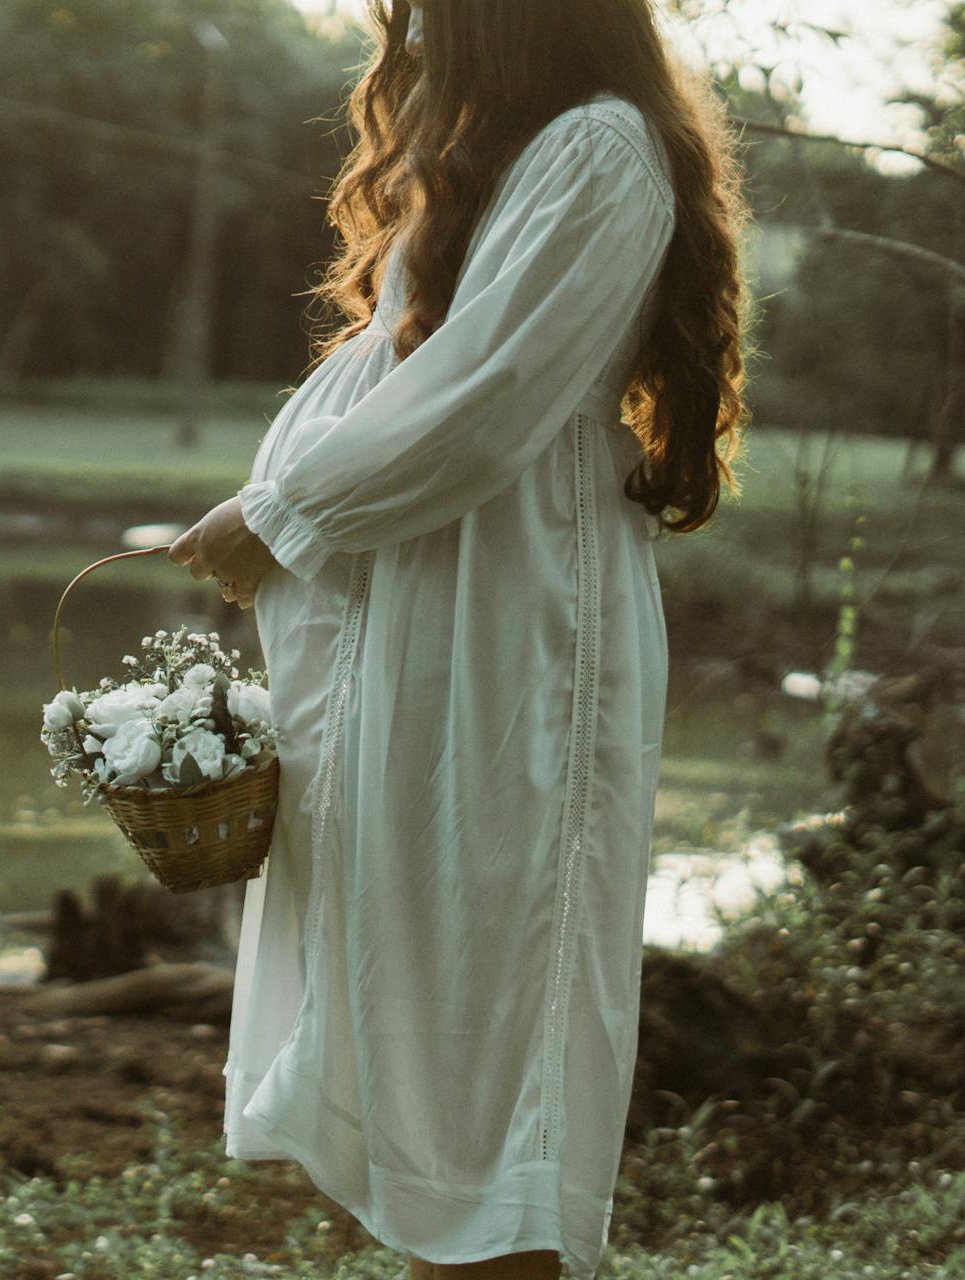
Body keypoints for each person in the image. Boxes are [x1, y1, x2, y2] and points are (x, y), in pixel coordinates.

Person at [165, 0, 751, 1276]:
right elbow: (407, 378)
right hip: (429, 639)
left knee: (491, 1053)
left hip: (509, 646)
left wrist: (280, 514)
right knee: (415, 1023)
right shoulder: (508, 156)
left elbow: (484, 403)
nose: (414, 27)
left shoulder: (599, 150)